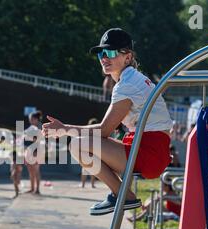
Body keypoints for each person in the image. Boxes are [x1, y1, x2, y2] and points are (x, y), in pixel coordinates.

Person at [42, 28, 173, 215]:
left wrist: (65, 129)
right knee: (83, 145)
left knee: (78, 146)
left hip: (149, 153)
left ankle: (122, 195)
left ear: (128, 57)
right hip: (148, 149)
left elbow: (103, 131)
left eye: (110, 52)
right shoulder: (133, 79)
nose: (104, 58)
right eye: (101, 54)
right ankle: (120, 195)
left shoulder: (127, 85)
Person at [24, 111, 43, 194]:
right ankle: (32, 188)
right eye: (30, 119)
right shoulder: (32, 127)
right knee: (31, 171)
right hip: (29, 150)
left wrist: (28, 137)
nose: (30, 121)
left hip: (36, 151)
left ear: (35, 119)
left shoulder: (39, 127)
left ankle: (37, 189)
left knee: (36, 171)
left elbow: (38, 140)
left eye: (31, 119)